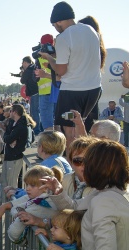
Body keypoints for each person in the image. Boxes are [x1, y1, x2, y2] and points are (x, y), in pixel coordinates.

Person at [40, 1, 102, 150]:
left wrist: (49, 58)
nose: (55, 28)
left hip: (72, 91)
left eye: (55, 24)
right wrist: (57, 54)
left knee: (69, 133)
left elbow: (61, 71)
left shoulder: (63, 37)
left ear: (59, 21)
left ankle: (73, 166)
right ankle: (86, 161)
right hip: (94, 89)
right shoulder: (90, 30)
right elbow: (79, 55)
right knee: (81, 127)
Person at [1, 104, 31, 189]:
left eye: (10, 111)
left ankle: (12, 202)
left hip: (14, 158)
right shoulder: (12, 123)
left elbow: (7, 139)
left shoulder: (21, 126)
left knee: (11, 184)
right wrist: (8, 137)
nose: (8, 113)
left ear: (14, 112)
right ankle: (5, 202)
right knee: (4, 182)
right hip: (8, 156)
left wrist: (9, 138)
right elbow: (6, 137)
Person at [20, 56, 41, 134]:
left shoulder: (28, 70)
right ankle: (39, 127)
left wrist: (23, 73)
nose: (22, 65)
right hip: (38, 91)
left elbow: (22, 80)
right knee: (38, 111)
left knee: (34, 111)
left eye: (23, 63)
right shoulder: (34, 67)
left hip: (34, 92)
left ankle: (36, 129)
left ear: (25, 62)